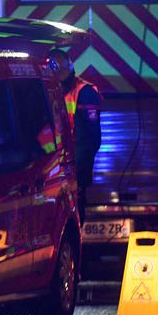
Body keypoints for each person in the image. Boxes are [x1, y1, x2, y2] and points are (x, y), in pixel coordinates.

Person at [48, 49, 101, 212]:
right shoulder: (50, 92)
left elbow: (90, 140)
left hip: (72, 169)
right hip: (51, 170)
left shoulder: (84, 93)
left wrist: (77, 175)